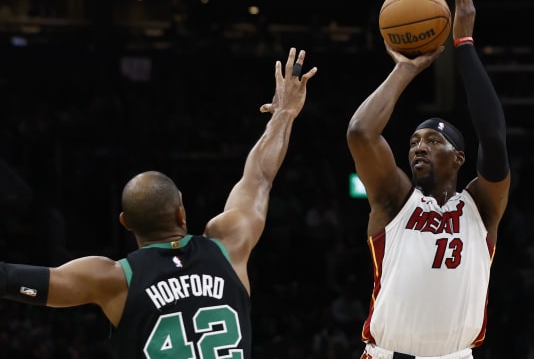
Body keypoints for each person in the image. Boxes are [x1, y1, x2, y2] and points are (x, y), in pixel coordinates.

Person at [0, 47, 318, 358]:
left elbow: (14, 281)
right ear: (181, 212)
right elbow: (259, 176)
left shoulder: (112, 278)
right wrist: (285, 114)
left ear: (125, 222)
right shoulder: (229, 244)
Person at [346, 0, 510, 359]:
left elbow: (495, 138)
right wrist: (405, 68)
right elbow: (360, 133)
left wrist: (464, 44)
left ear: (458, 158)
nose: (420, 146)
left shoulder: (481, 208)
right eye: (414, 141)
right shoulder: (394, 202)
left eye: (434, 141)